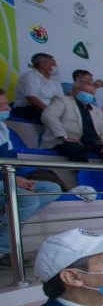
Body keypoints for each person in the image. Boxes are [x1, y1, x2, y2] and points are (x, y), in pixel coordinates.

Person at [0, 89, 63, 266]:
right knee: (28, 200)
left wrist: (21, 179)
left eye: (6, 104)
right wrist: (13, 180)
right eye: (2, 105)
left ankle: (6, 215)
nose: (8, 108)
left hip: (8, 177)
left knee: (52, 189)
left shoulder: (3, 129)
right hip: (4, 179)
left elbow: (11, 160)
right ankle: (4, 250)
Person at [40, 69, 103, 161]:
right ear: (76, 90)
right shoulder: (62, 100)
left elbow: (102, 130)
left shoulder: (96, 111)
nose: (89, 95)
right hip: (64, 141)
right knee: (75, 148)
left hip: (91, 143)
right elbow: (48, 116)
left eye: (91, 93)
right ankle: (83, 170)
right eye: (86, 92)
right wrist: (63, 136)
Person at [12, 53, 64, 122]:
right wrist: (50, 111)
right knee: (52, 116)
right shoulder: (30, 77)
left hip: (50, 107)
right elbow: (32, 99)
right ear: (42, 64)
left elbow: (61, 97)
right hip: (27, 108)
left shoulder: (54, 79)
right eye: (53, 63)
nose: (56, 66)